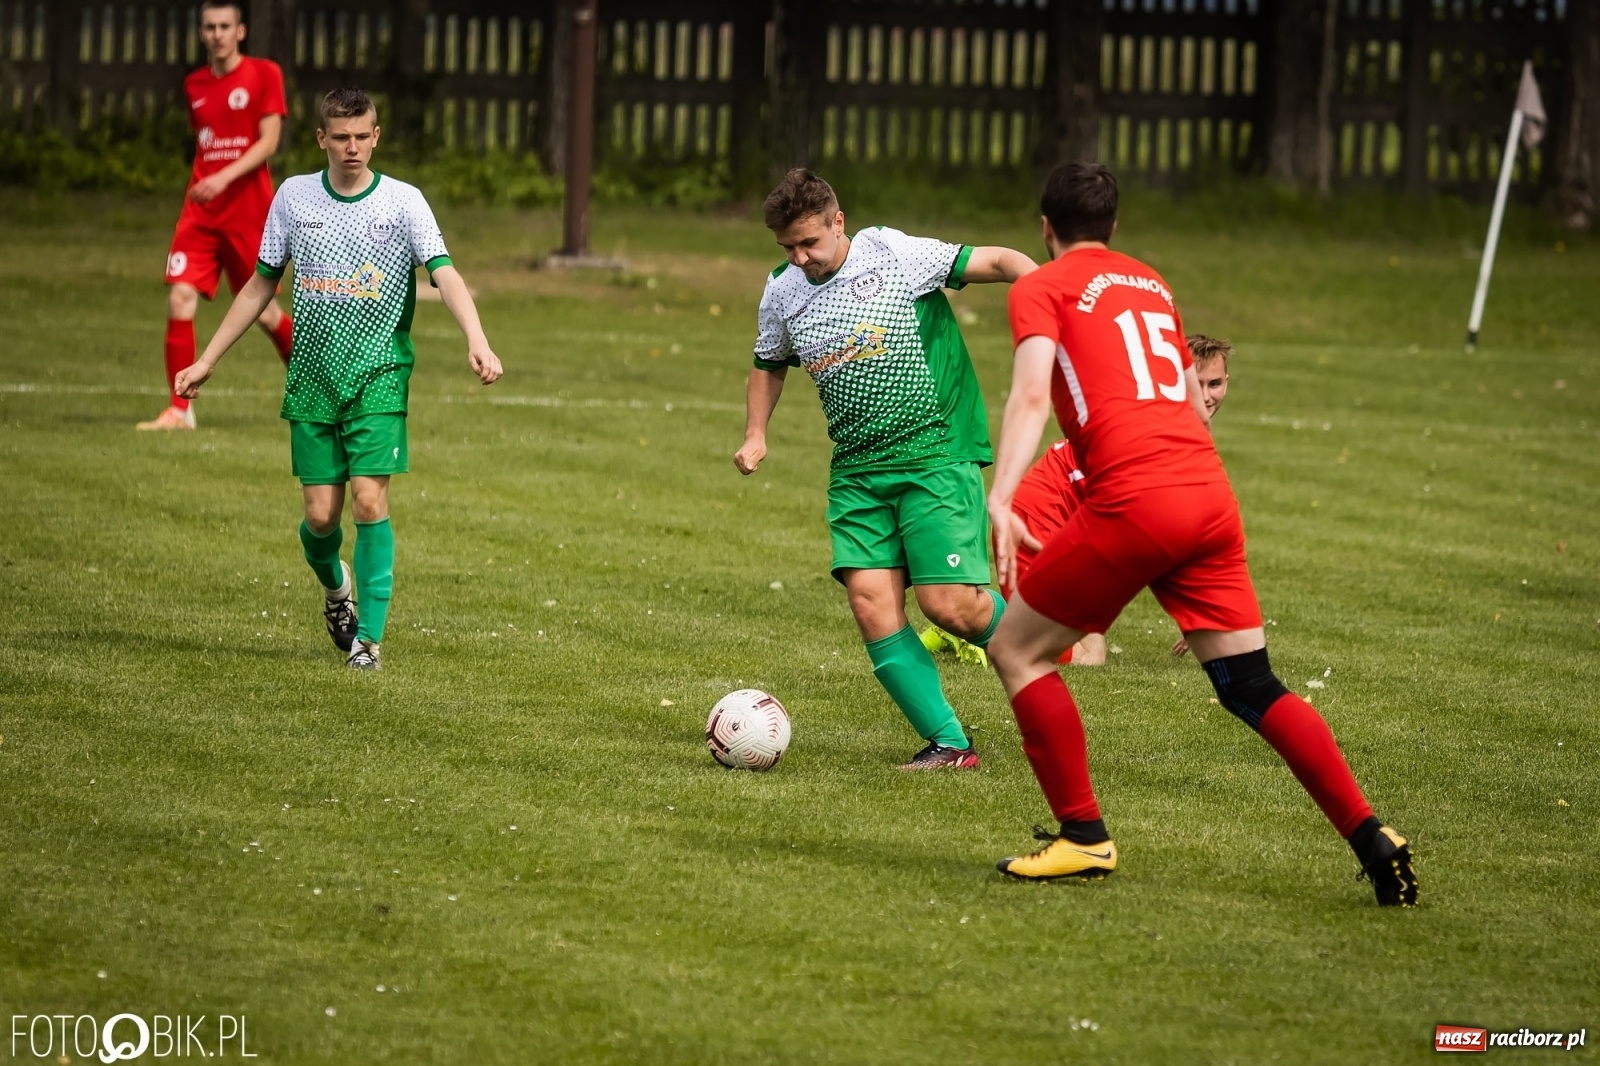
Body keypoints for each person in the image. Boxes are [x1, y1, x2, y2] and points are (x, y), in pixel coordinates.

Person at [982, 163, 1416, 906]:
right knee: (1251, 685)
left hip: (1135, 498)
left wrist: (1000, 494)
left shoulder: (1041, 285)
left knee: (1016, 649)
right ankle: (1373, 836)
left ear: (1045, 229)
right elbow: (1175, 390)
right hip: (1207, 492)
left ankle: (1083, 838)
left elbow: (1030, 393)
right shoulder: (1150, 283)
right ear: (1115, 228)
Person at [175, 87, 502, 670]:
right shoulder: (294, 198)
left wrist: (476, 339)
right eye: (341, 137)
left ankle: (368, 642)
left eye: (362, 136)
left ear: (376, 137)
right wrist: (208, 359)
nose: (352, 148)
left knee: (370, 501)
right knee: (321, 518)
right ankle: (336, 591)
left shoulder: (403, 203)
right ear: (322, 138)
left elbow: (444, 275)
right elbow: (260, 285)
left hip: (379, 374)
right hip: (312, 378)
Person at [735, 168, 1036, 770]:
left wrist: (1050, 294)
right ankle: (950, 745)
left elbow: (999, 259)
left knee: (949, 606)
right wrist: (755, 433)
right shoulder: (782, 290)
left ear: (838, 222)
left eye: (808, 243)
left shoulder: (891, 252)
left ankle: (1037, 649)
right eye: (787, 248)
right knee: (872, 605)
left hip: (933, 451)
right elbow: (770, 362)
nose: (799, 258)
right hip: (857, 469)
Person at [1001, 334, 1233, 667]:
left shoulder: (1179, 428)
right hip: (1040, 521)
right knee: (1081, 658)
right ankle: (976, 619)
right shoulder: (1158, 432)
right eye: (1197, 385)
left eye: (1215, 384)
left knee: (1084, 636)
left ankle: (985, 617)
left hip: (1072, 527)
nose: (1207, 396)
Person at [139, 0, 295, 431]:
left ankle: (309, 386)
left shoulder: (265, 74)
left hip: (248, 211)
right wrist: (208, 183)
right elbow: (208, 142)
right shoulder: (194, 84)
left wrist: (222, 178)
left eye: (225, 26)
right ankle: (179, 410)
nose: (217, 34)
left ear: (241, 31)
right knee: (179, 297)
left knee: (264, 313)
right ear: (201, 33)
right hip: (201, 212)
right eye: (209, 27)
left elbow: (267, 143)